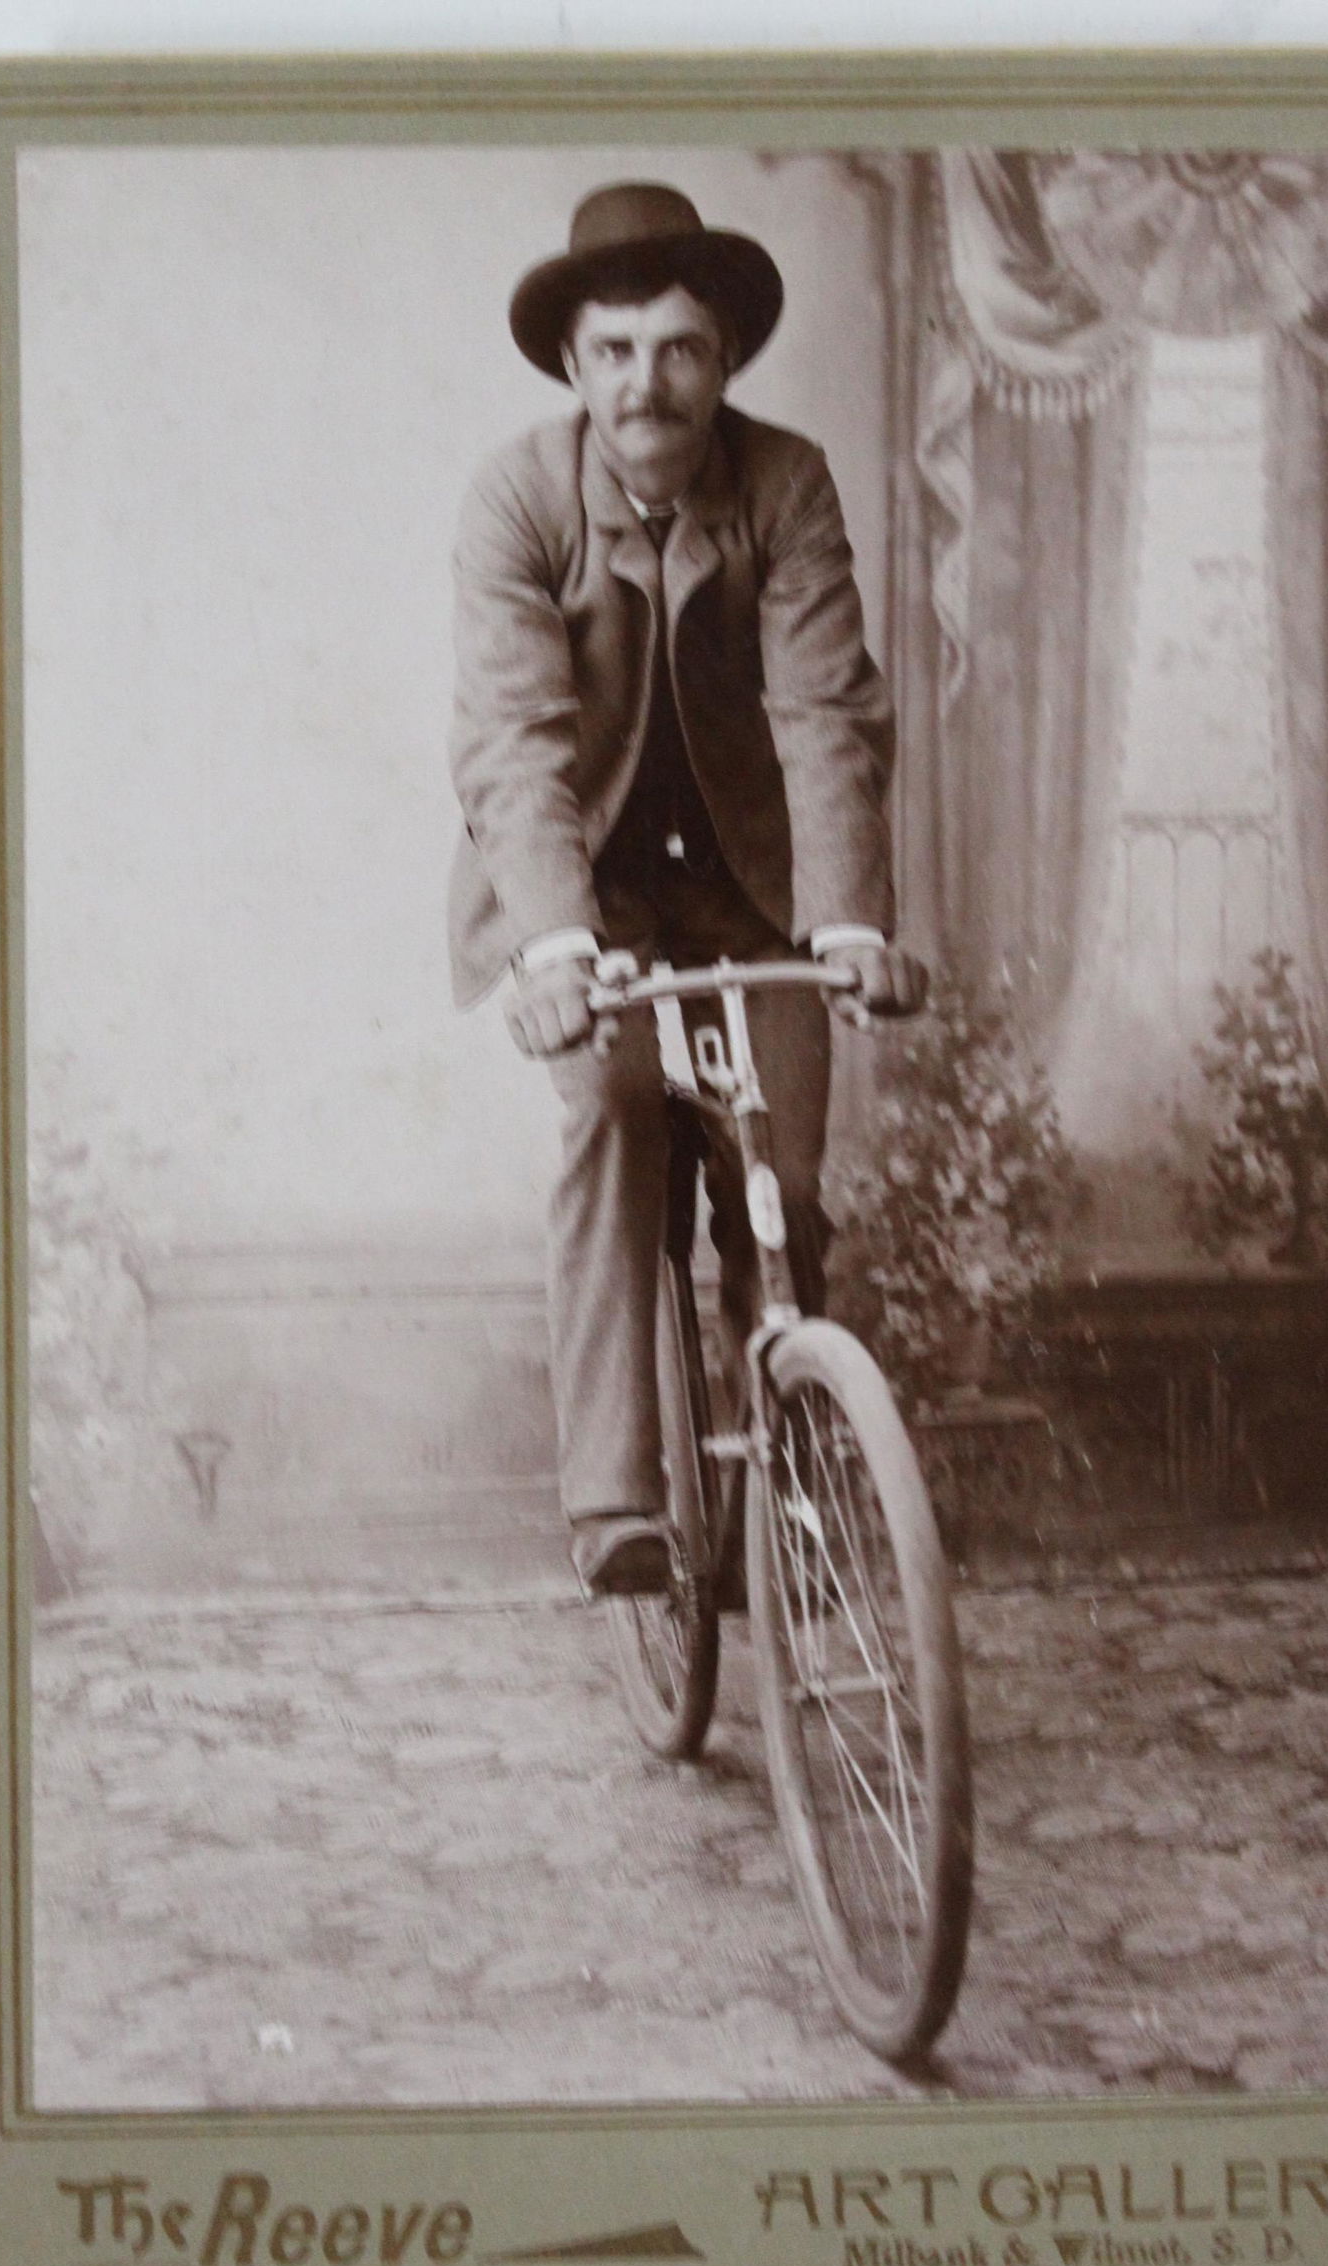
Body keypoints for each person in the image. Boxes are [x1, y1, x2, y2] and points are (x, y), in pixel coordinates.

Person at [449, 182, 924, 1597]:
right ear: (575, 366)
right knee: (610, 1112)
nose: (646, 383)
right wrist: (549, 949)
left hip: (749, 886)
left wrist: (847, 923)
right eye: (615, 351)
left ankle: (793, 1482)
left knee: (778, 1176)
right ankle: (620, 1511)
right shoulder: (519, 499)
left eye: (678, 349)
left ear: (723, 361)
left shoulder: (785, 483)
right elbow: (514, 745)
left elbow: (827, 706)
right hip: (584, 891)